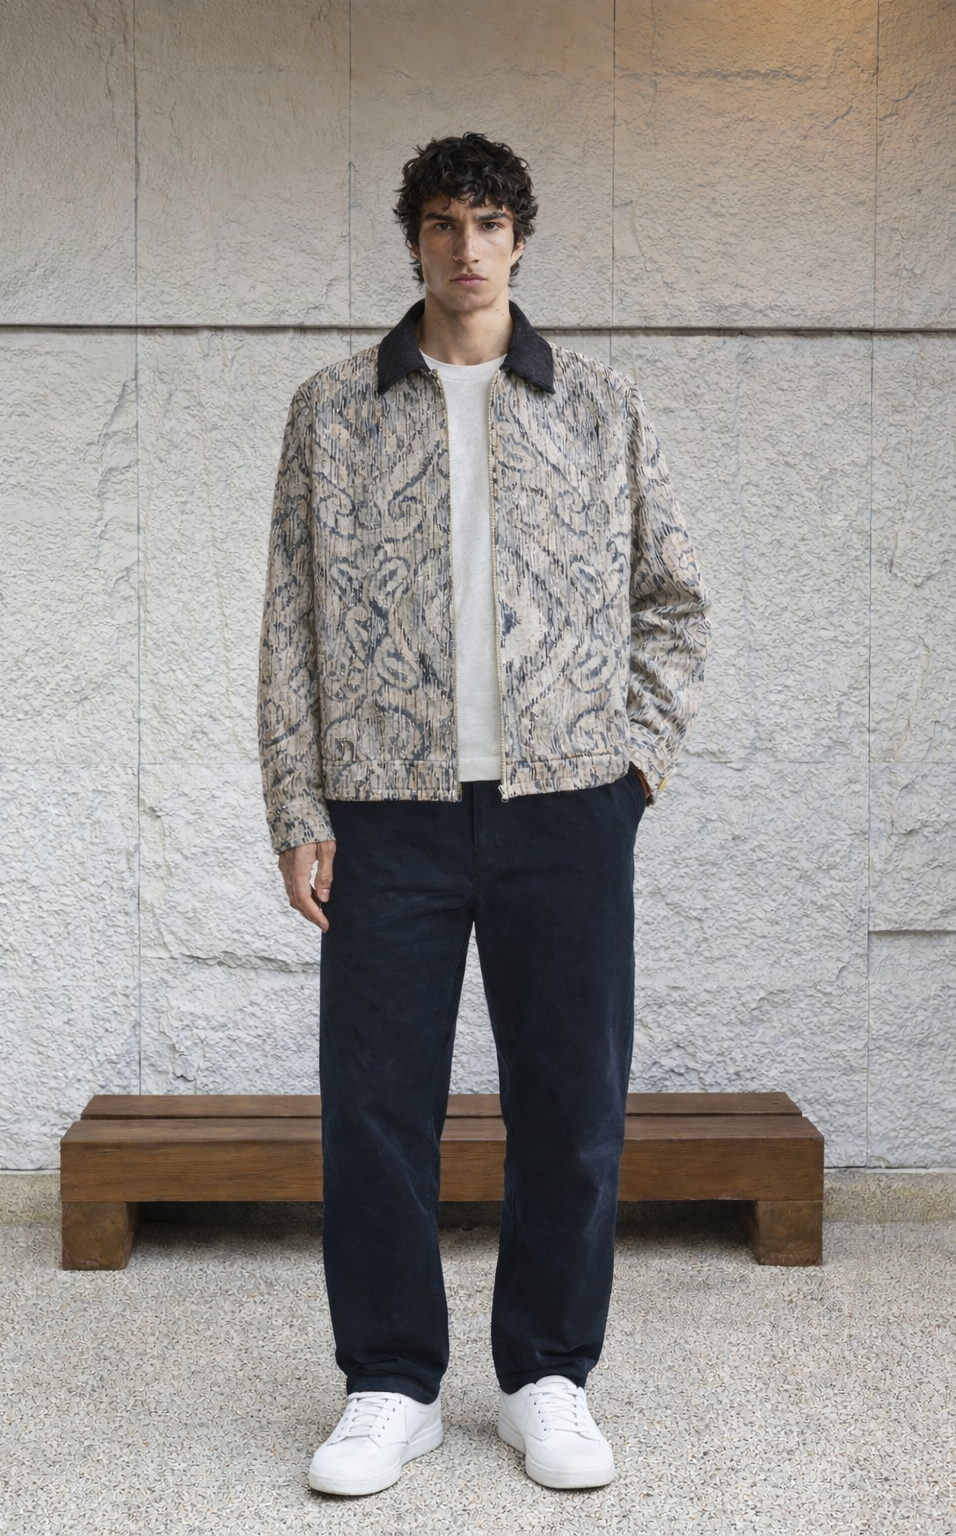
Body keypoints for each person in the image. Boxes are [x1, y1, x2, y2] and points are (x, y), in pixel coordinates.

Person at [258, 131, 710, 1497]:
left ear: (521, 239)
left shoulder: (600, 406)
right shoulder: (333, 410)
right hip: (383, 810)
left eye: (491, 222)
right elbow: (290, 623)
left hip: (567, 809)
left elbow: (673, 604)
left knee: (569, 1103)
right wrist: (295, 800)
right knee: (374, 1105)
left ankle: (546, 1375)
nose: (468, 247)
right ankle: (390, 1383)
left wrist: (633, 769)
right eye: (445, 223)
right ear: (415, 240)